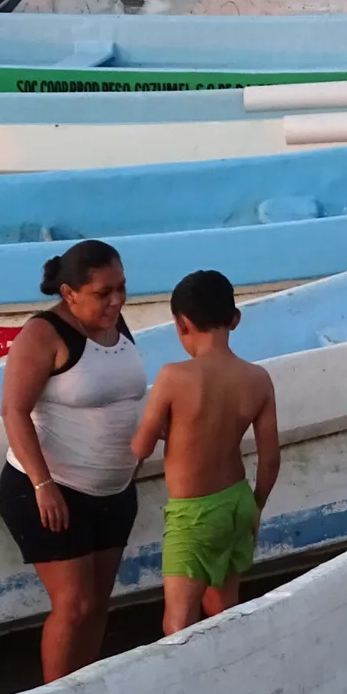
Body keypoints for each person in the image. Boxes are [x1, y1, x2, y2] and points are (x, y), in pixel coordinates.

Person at [0, 239, 146, 681]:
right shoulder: (43, 333)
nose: (116, 300)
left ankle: (86, 693)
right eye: (103, 293)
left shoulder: (117, 323)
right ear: (69, 294)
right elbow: (14, 411)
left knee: (99, 605)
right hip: (52, 491)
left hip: (114, 492)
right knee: (74, 604)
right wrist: (44, 486)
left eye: (121, 288)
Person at [130, 268, 280, 637]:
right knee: (223, 607)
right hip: (237, 501)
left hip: (192, 514)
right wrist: (257, 504)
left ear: (181, 324)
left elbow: (141, 447)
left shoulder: (173, 377)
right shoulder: (257, 379)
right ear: (235, 319)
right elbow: (271, 456)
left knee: (178, 623)